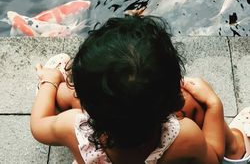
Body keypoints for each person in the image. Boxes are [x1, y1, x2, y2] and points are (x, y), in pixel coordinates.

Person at [31, 15, 249, 164]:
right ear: (175, 103)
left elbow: (38, 125)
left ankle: (60, 87)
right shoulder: (185, 137)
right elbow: (213, 157)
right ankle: (237, 147)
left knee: (60, 92)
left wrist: (48, 82)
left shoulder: (72, 127)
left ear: (84, 105)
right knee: (198, 104)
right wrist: (213, 105)